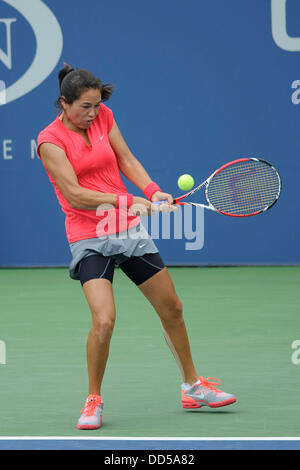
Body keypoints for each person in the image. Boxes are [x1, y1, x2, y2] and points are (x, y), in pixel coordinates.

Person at [37, 63, 236, 430]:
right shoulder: (49, 141)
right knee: (105, 320)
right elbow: (75, 194)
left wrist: (152, 191)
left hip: (127, 231)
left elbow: (125, 158)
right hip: (89, 235)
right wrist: (129, 202)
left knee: (172, 307)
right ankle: (93, 399)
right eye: (84, 107)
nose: (93, 114)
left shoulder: (103, 118)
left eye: (97, 105)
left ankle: (192, 385)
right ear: (63, 103)